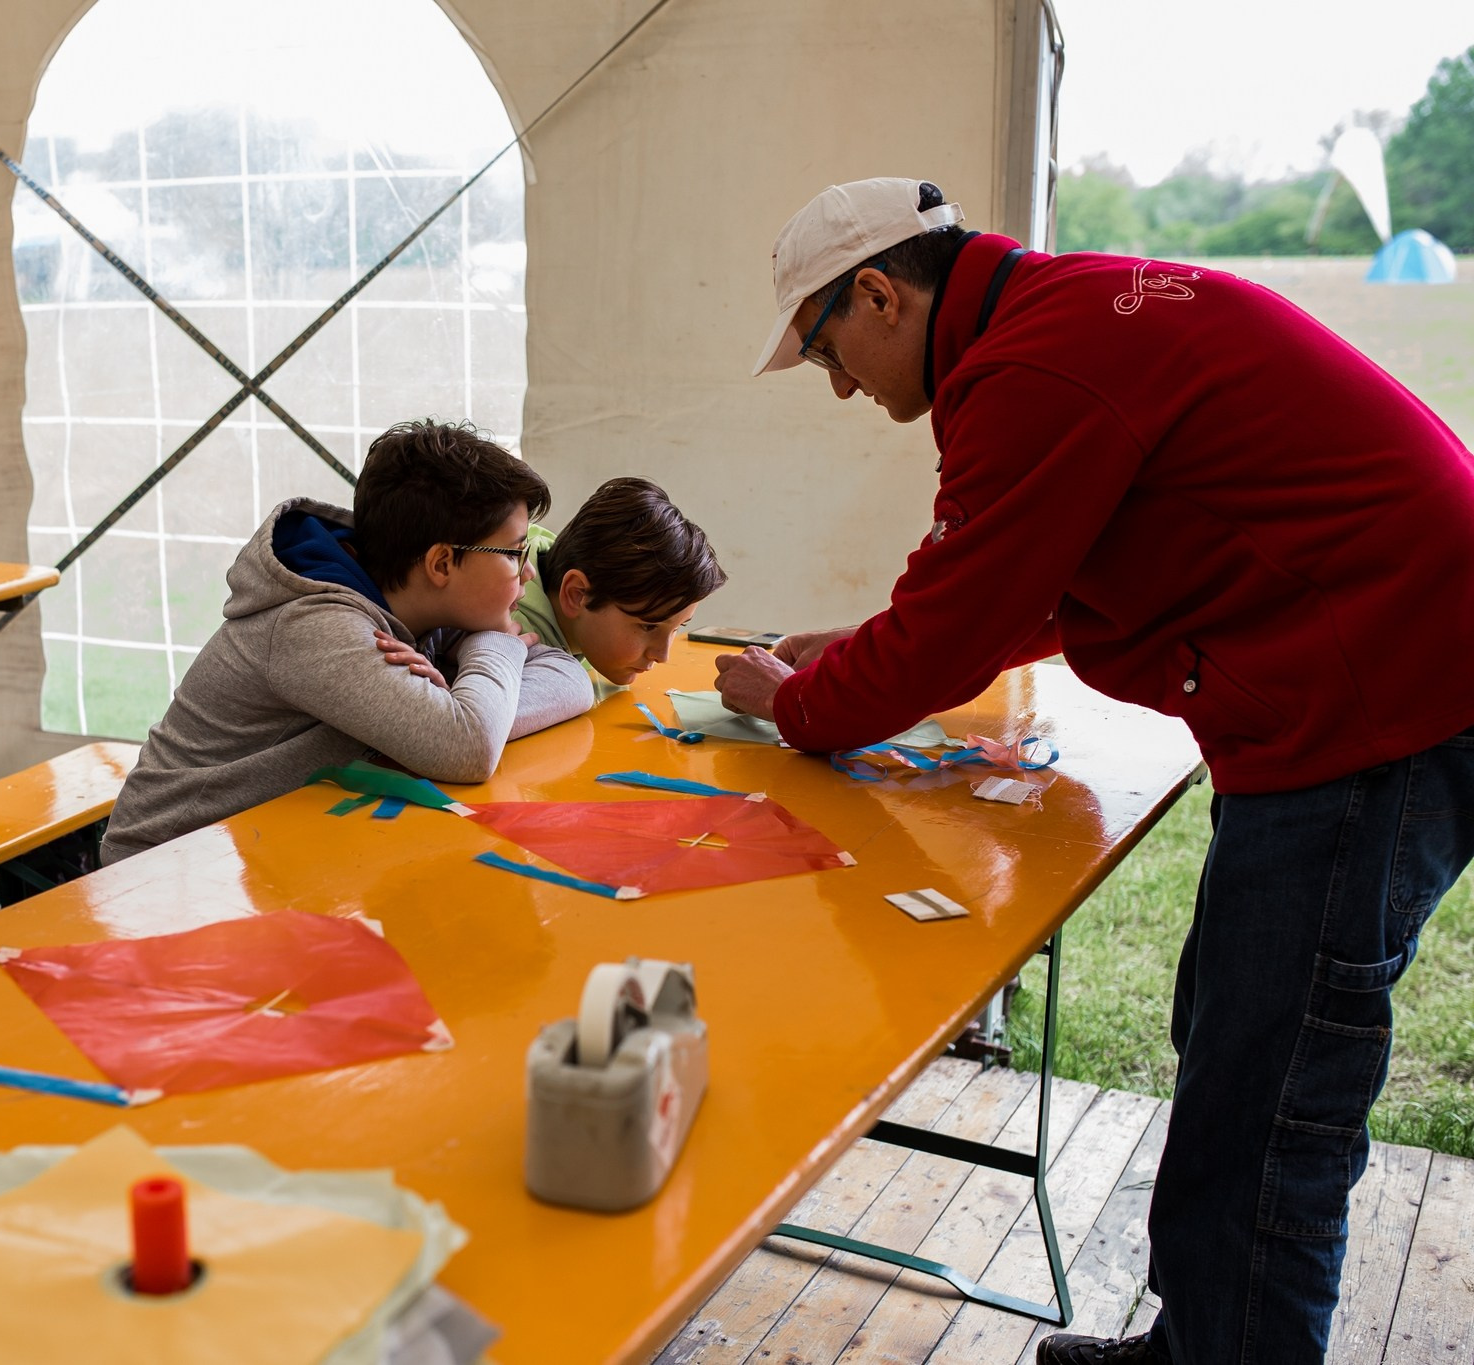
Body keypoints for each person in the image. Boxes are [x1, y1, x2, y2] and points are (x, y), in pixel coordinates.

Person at [713, 177, 1474, 1365]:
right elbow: (1040, 576)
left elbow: (963, 619)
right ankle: (1195, 1342)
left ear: (876, 290)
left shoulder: (1029, 371)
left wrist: (799, 701)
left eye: (828, 353)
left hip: (1372, 698)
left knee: (1268, 1097)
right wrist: (868, 645)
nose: (843, 386)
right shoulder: (1062, 317)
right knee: (1227, 1036)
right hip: (1375, 669)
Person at [100, 419, 595, 862]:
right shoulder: (314, 627)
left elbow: (571, 680)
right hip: (169, 864)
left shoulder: (428, 602)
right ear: (442, 563)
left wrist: (466, 697)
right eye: (513, 552)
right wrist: (494, 652)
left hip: (268, 850)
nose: (528, 570)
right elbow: (467, 748)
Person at [510, 476, 726, 686]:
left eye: (678, 627)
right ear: (577, 594)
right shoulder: (511, 644)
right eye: (649, 626)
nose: (662, 655)